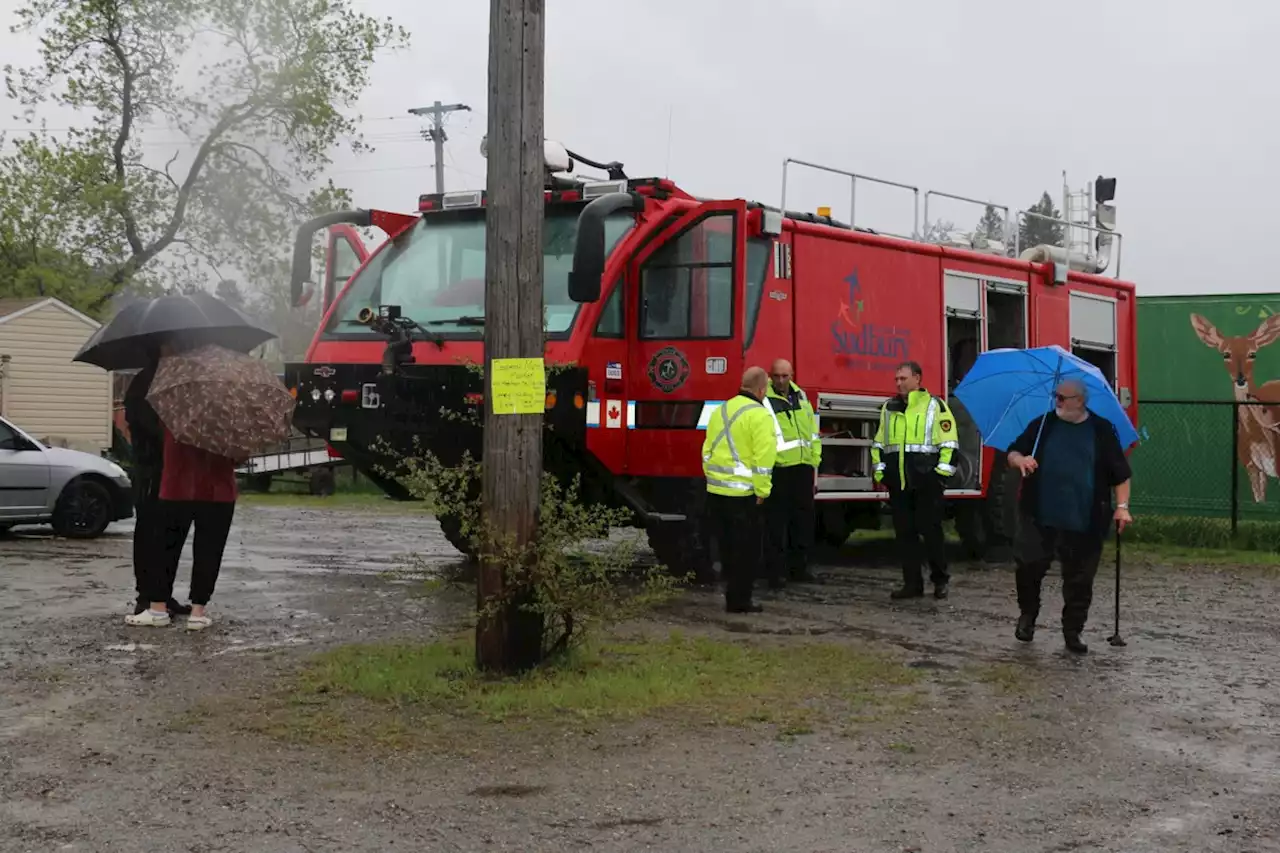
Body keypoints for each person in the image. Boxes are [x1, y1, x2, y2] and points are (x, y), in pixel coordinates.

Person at [1006, 378, 1133, 655]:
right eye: (1056, 396)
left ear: (1080, 400)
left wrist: (1122, 507)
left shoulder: (1101, 430)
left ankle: (1072, 632)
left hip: (1085, 518)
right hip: (1039, 514)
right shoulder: (1043, 424)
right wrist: (1021, 461)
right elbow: (1013, 451)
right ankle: (1028, 615)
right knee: (1028, 567)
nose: (1058, 402)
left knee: (1080, 579)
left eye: (1064, 398)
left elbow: (1121, 474)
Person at [126, 347, 239, 631]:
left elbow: (156, 442)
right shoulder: (229, 414)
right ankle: (198, 613)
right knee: (209, 550)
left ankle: (157, 608)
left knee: (165, 547)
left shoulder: (173, 410)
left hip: (177, 488)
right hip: (218, 493)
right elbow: (239, 456)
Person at [871, 361, 958, 600]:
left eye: (903, 378)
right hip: (898, 483)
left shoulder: (936, 406)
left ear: (917, 379)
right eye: (896, 379)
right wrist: (880, 472)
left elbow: (949, 444)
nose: (899, 383)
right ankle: (912, 584)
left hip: (926, 482)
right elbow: (879, 443)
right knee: (905, 535)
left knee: (932, 534)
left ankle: (940, 581)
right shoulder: (889, 407)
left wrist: (940, 475)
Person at [702, 366, 777, 613]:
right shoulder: (760, 415)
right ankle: (740, 601)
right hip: (743, 495)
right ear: (762, 389)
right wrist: (762, 491)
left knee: (726, 549)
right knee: (746, 552)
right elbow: (763, 458)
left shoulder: (721, 409)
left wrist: (712, 478)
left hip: (716, 491)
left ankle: (731, 597)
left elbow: (707, 449)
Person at [122, 349, 190, 617]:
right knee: (151, 535)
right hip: (152, 472)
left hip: (174, 473)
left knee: (173, 534)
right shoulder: (145, 384)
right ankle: (146, 596)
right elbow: (148, 429)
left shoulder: (175, 381)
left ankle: (162, 593)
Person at [763, 358, 821, 587]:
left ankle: (800, 569)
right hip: (779, 470)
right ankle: (775, 574)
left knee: (803, 521)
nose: (780, 380)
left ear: (792, 375)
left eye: (785, 376)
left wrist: (815, 458)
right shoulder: (765, 400)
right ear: (770, 375)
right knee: (776, 525)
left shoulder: (801, 396)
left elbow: (812, 431)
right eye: (776, 376)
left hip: (803, 467)